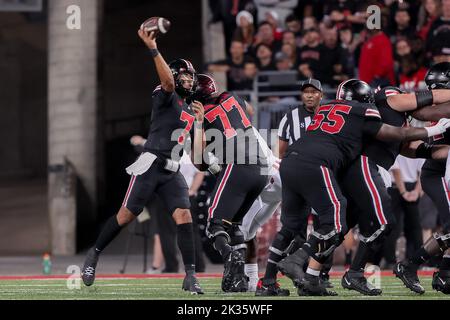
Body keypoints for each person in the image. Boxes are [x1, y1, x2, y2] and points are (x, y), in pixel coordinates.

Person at [276, 79, 450, 296]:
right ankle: (354, 273)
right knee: (384, 222)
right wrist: (434, 129)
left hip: (351, 167)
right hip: (365, 166)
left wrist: (440, 145)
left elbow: (408, 148)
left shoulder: (356, 111)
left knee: (342, 226)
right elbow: (419, 110)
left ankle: (307, 269)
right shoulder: (388, 99)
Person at [80, 30, 204, 294]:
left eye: (191, 77)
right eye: (185, 76)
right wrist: (153, 48)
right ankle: (94, 253)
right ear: (172, 75)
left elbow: (196, 152)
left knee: (184, 217)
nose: (189, 81)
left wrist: (203, 124)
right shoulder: (165, 93)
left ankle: (191, 275)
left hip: (173, 170)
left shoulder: (191, 107)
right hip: (151, 164)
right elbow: (169, 83)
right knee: (126, 215)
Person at [191, 74, 270, 293]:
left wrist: (199, 125)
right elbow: (250, 111)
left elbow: (199, 162)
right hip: (261, 168)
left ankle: (230, 257)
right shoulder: (231, 96)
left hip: (237, 164)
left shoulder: (199, 113)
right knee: (234, 224)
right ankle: (239, 280)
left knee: (215, 225)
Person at [256, 79, 324, 296]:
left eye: (314, 92)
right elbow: (281, 151)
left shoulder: (330, 115)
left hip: (322, 176)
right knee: (304, 229)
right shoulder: (291, 117)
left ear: (321, 94)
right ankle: (304, 276)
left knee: (310, 229)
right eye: (306, 92)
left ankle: (305, 276)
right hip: (302, 177)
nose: (310, 96)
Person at [395, 62, 450, 295]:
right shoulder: (440, 107)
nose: (434, 95)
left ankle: (445, 274)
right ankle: (409, 265)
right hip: (436, 171)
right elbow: (426, 112)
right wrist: (407, 104)